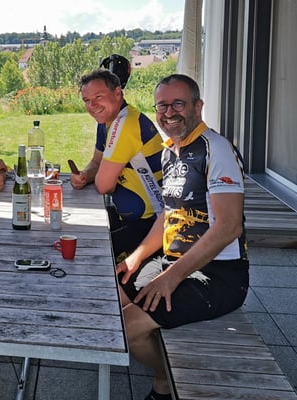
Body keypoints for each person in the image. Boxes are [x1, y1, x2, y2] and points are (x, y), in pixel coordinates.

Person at [116, 74, 249, 400]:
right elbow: (168, 214)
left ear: (197, 107)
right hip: (174, 260)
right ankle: (170, 370)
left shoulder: (216, 149)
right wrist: (135, 258)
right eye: (162, 106)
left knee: (128, 326)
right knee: (115, 294)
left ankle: (166, 383)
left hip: (218, 273)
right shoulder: (170, 152)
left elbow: (229, 227)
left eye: (178, 104)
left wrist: (170, 278)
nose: (169, 112)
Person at [71, 68, 165, 262]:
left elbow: (104, 185)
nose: (92, 106)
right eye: (86, 100)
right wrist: (85, 175)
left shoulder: (126, 124)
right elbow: (96, 162)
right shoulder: (106, 121)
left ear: (117, 93)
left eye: (98, 97)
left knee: (85, 255)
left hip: (150, 224)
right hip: (131, 217)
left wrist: (99, 177)